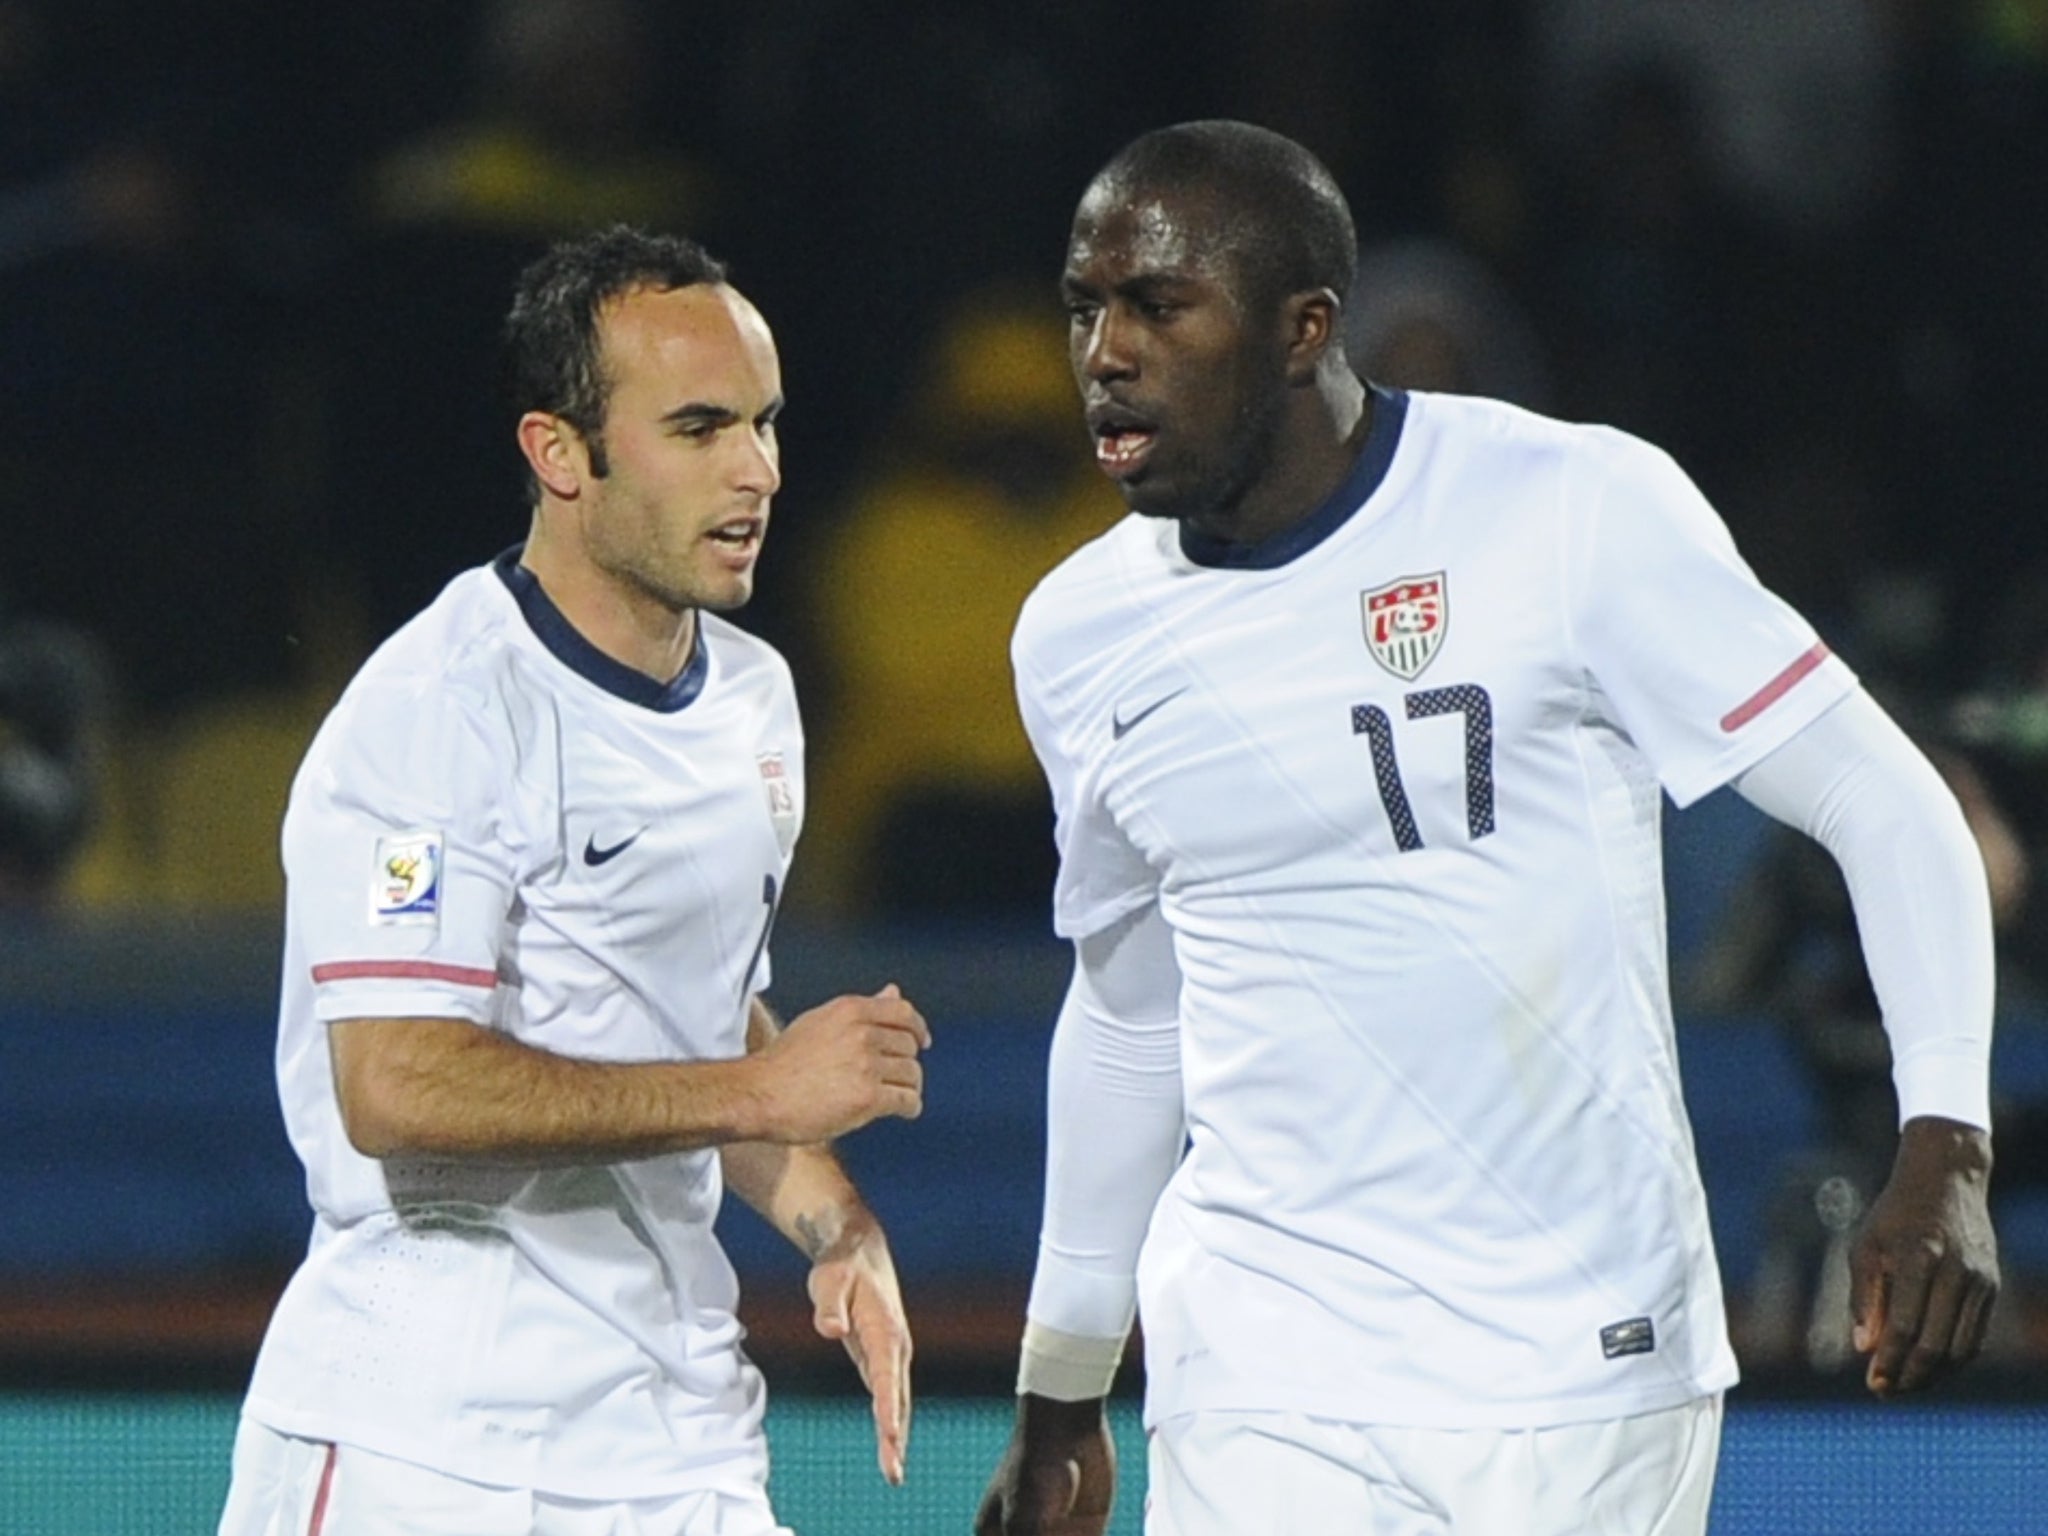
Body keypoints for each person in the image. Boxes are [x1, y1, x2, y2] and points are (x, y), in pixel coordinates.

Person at [975, 121, 1999, 1536]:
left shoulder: (1571, 509)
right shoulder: (1076, 636)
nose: (1105, 352)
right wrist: (1062, 1382)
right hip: (1267, 1372)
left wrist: (1944, 1142)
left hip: (1586, 1371)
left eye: (1158, 304)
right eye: (1085, 307)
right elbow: (1129, 1011)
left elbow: (1885, 806)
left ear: (1303, 329)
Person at [219, 226, 929, 1536]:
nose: (758, 469)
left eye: (765, 423)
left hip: (679, 1444)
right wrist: (764, 1092)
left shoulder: (758, 701)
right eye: (702, 427)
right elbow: (397, 1084)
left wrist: (833, 1219)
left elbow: (694, 1016)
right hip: (423, 1453)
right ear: (560, 455)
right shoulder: (437, 711)